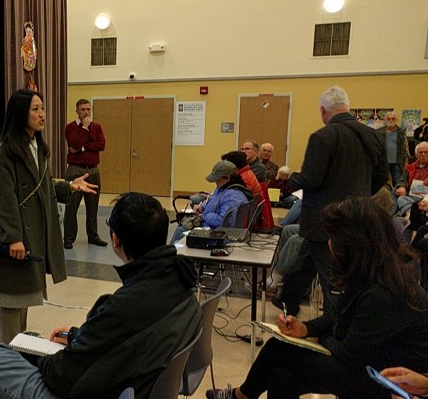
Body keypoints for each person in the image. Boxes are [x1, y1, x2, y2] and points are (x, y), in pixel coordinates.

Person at [0, 192, 203, 399]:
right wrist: (77, 336)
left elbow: (62, 378)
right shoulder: (180, 277)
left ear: (115, 239)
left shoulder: (122, 307)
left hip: (98, 388)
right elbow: (124, 339)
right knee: (29, 338)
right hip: (138, 382)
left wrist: (40, 360)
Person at [208, 197, 428, 399]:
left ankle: (239, 396)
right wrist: (306, 329)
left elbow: (348, 354)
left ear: (353, 244)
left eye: (332, 238)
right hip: (372, 365)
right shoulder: (372, 271)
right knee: (281, 375)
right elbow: (336, 315)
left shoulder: (384, 292)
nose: (329, 244)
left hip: (391, 382)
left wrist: (316, 339)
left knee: (278, 350)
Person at [0, 89, 98, 343]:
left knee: (25, 295)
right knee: (12, 299)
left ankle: (18, 349)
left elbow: (43, 183)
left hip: (34, 233)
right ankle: (7, 355)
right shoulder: (5, 152)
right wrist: (14, 236)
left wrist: (68, 186)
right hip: (16, 237)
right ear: (20, 114)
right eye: (35, 109)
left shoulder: (38, 147)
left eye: (43, 108)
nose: (42, 115)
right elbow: (4, 199)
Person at [272, 85, 388, 317]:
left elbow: (311, 178)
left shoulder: (323, 136)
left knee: (333, 279)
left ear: (324, 111)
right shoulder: (375, 136)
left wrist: (291, 181)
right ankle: (288, 300)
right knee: (305, 262)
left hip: (326, 221)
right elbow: (381, 179)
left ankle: (336, 326)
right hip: (358, 217)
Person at [169, 160, 252, 243]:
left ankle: (172, 253)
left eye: (217, 179)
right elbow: (213, 201)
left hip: (216, 232)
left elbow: (223, 220)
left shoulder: (232, 196)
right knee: (182, 227)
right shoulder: (224, 189)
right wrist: (202, 207)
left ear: (227, 178)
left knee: (181, 230)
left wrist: (203, 215)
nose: (215, 182)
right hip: (212, 226)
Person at [63, 99, 108, 249]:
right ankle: (69, 238)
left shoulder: (98, 127)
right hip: (76, 170)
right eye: (83, 109)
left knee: (93, 207)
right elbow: (74, 143)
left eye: (88, 109)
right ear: (77, 111)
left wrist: (83, 149)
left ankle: (93, 236)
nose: (86, 112)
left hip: (93, 170)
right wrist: (84, 128)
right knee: (72, 207)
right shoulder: (70, 127)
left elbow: (101, 145)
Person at [395, 141, 428, 216]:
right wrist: (401, 186)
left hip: (426, 198)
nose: (423, 155)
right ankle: (409, 213)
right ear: (416, 155)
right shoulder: (410, 167)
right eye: (421, 153)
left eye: (426, 152)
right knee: (399, 196)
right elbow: (402, 179)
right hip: (411, 197)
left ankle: (408, 214)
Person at [377, 111, 409, 186]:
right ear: (385, 120)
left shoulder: (401, 132)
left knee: (398, 182)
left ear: (396, 120)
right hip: (383, 163)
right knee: (384, 183)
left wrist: (406, 162)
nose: (391, 120)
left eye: (393, 119)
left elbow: (406, 147)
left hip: (397, 163)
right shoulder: (379, 132)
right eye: (389, 119)